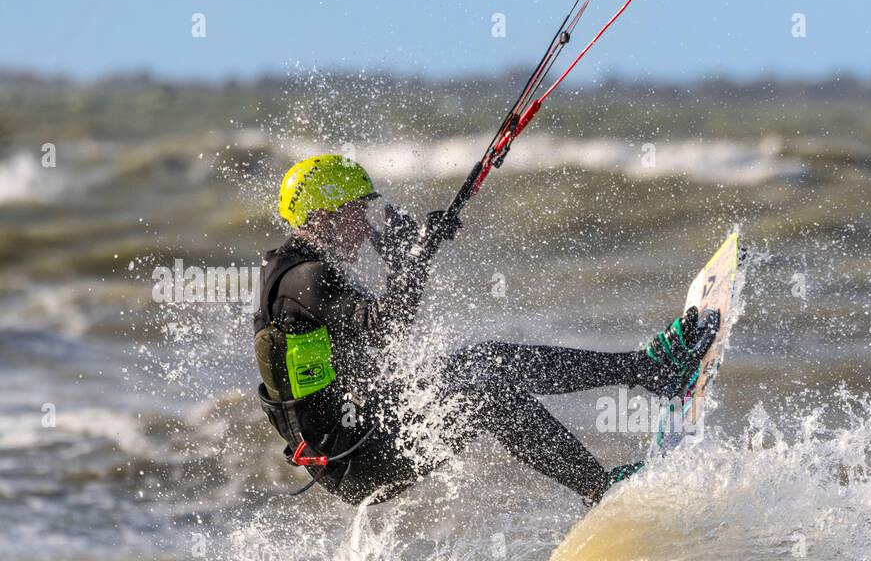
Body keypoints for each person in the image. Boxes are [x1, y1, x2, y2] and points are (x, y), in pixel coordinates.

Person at [254, 154, 717, 506]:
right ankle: (604, 478)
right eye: (356, 213)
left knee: (485, 362)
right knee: (488, 393)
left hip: (363, 429)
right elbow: (383, 328)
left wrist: (409, 253)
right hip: (357, 457)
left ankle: (648, 375)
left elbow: (370, 335)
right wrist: (415, 262)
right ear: (323, 216)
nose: (362, 226)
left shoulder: (292, 272)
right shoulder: (308, 278)